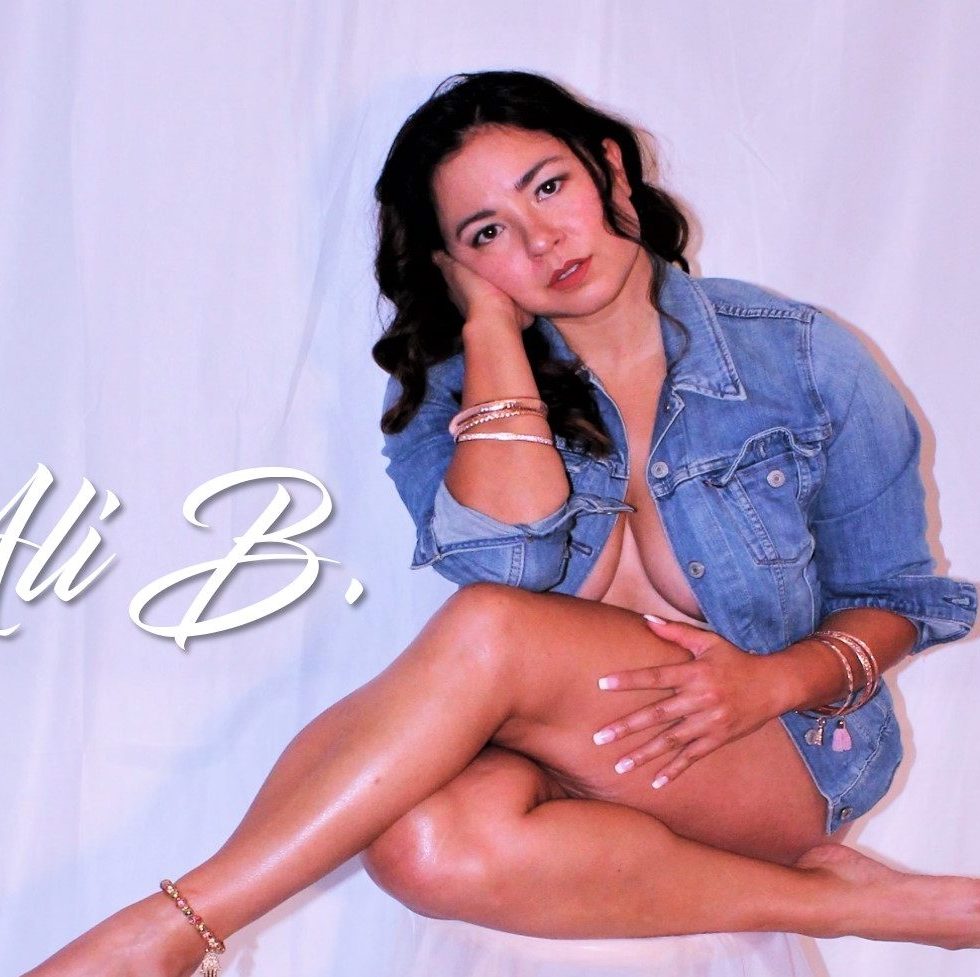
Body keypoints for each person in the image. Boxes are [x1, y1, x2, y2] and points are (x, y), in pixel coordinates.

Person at [23, 70, 978, 977]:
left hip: (773, 749)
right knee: (424, 844)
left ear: (610, 170)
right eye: (488, 232)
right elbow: (513, 566)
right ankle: (836, 902)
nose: (541, 239)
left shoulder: (799, 357)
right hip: (563, 763)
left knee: (488, 632)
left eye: (550, 186)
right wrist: (489, 334)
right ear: (455, 267)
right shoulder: (450, 398)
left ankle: (163, 933)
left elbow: (895, 595)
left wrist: (771, 681)